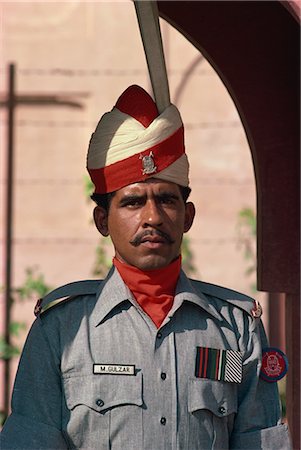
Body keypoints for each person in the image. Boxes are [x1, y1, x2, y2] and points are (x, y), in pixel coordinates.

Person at [1, 85, 291, 449]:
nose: (152, 217)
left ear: (187, 216)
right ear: (102, 220)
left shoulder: (235, 330)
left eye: (167, 199)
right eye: (133, 202)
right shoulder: (61, 331)